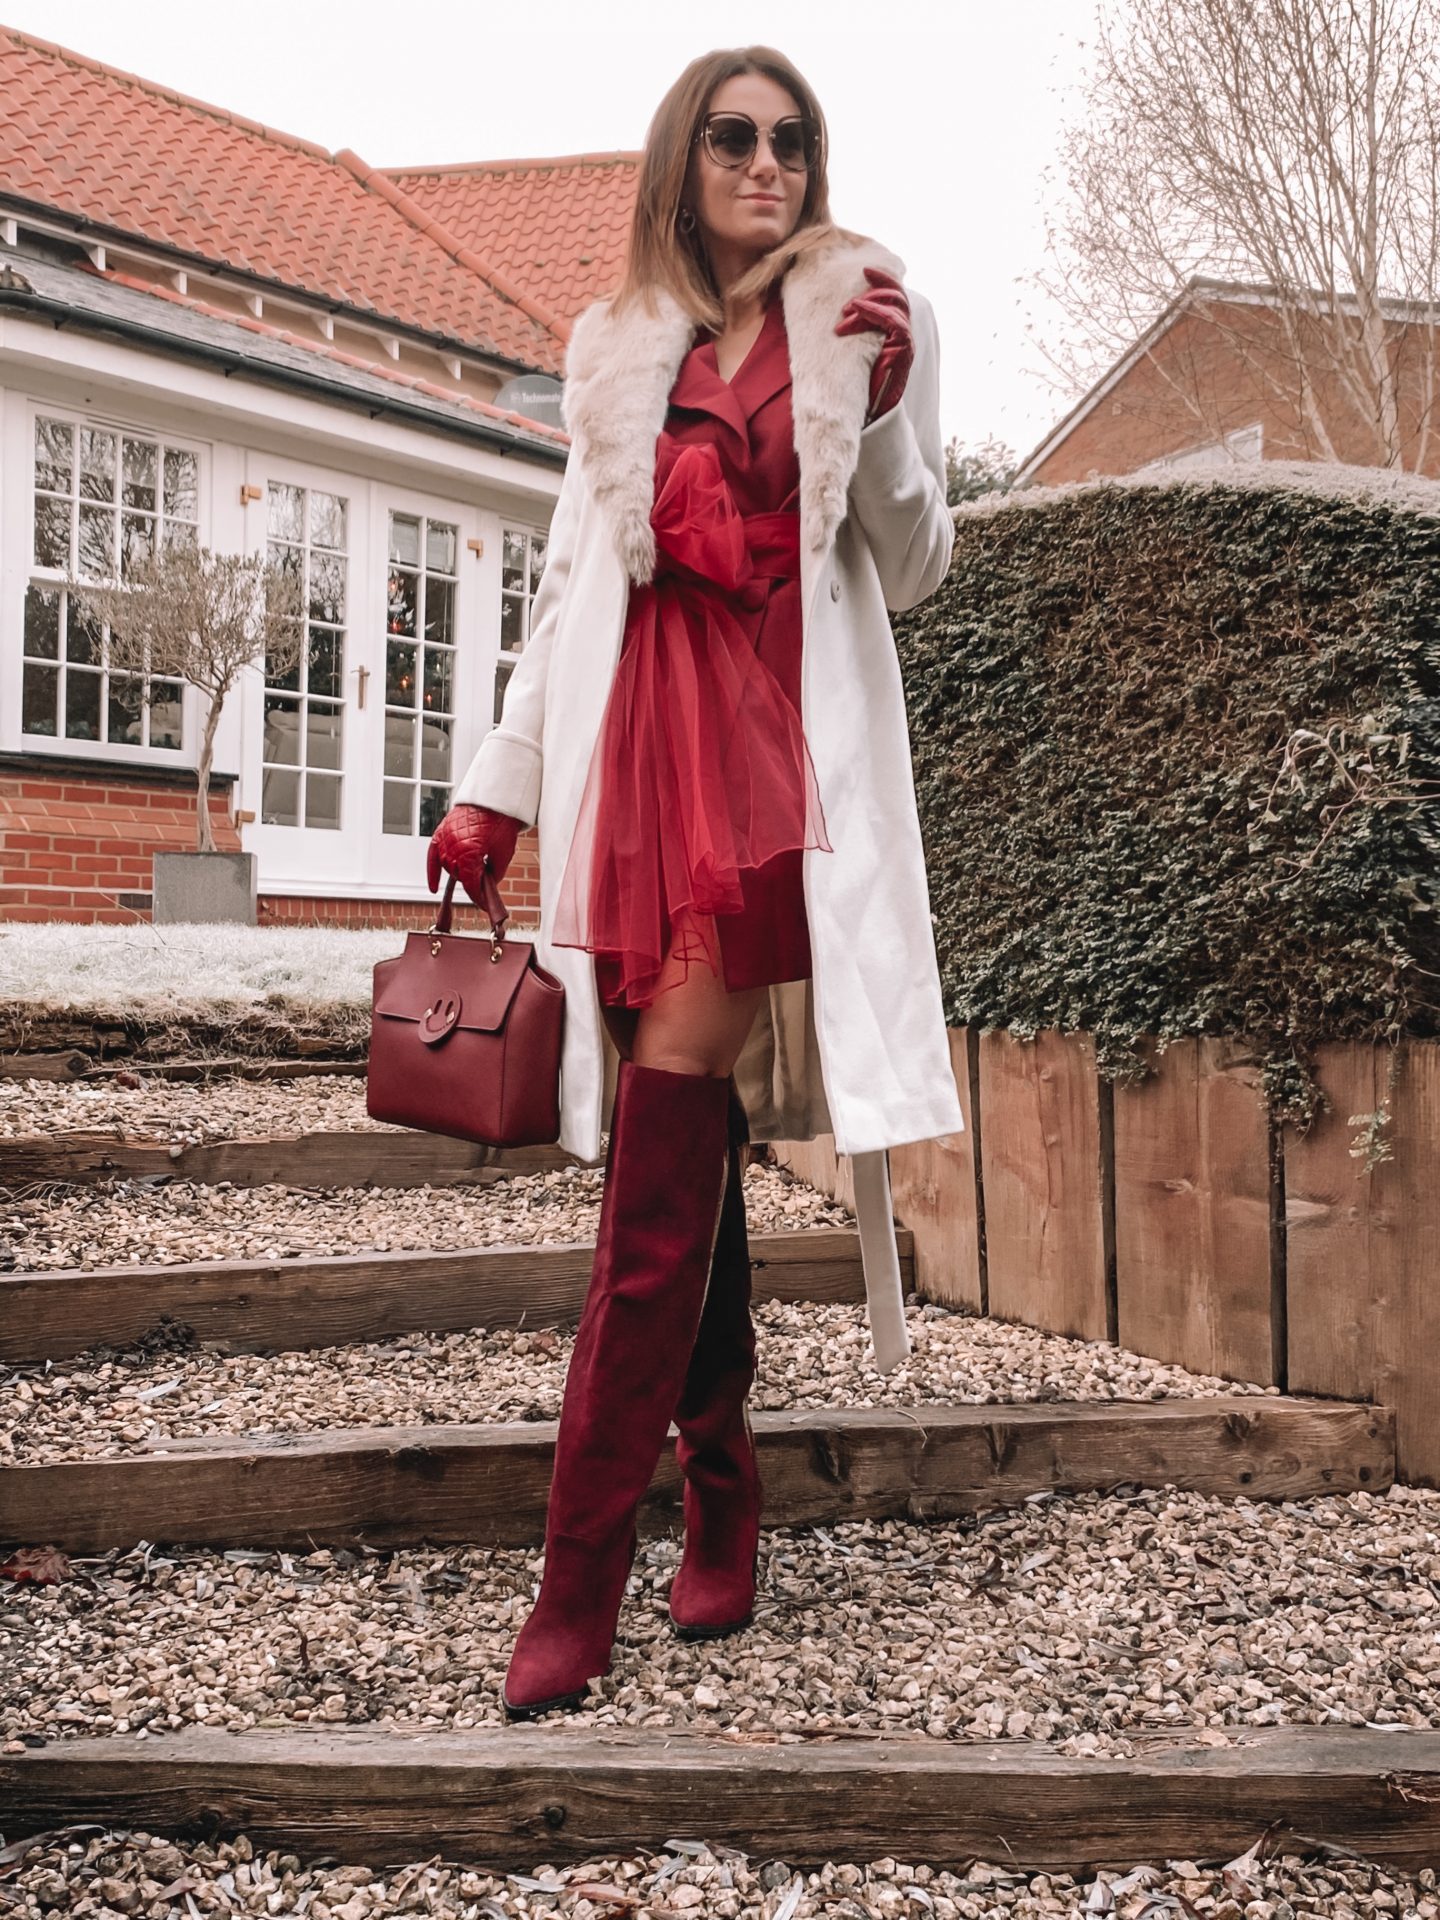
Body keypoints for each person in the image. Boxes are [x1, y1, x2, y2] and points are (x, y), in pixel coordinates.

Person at [427, 44, 965, 1719]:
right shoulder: (614, 348)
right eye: (734, 138)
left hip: (771, 766)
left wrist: (877, 430)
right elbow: (569, 588)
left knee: (660, 1149)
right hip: (638, 761)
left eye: (790, 140)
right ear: (684, 158)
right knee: (691, 1134)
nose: (766, 164)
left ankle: (574, 1577)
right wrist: (493, 797)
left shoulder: (875, 310)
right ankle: (720, 1470)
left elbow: (919, 557)